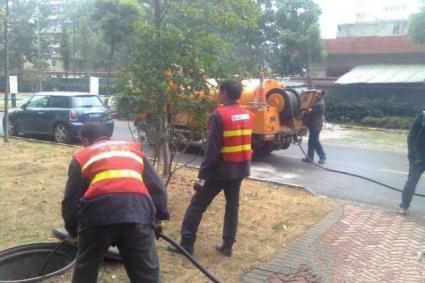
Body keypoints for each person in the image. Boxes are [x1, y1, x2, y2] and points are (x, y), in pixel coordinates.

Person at [62, 123, 169, 283]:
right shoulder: (132, 150)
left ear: (85, 140)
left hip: (96, 219)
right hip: (137, 215)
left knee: (86, 268)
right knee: (147, 274)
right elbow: (158, 187)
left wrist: (73, 231)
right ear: (108, 136)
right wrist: (158, 219)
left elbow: (70, 201)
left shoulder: (82, 156)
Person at [167, 79, 253, 257]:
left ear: (225, 93)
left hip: (220, 171)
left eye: (219, 91)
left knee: (197, 205)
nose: (218, 94)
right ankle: (228, 245)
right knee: (232, 207)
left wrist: (201, 178)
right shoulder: (246, 114)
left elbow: (211, 151)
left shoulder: (218, 115)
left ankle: (186, 244)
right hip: (239, 170)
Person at [399, 111, 425, 215]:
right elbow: (411, 137)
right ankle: (404, 206)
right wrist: (414, 155)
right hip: (418, 157)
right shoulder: (421, 118)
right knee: (411, 182)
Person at [302, 89, 326, 164]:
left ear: (322, 95)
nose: (316, 95)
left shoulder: (319, 104)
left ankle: (322, 157)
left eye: (318, 94)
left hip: (316, 126)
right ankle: (310, 157)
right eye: (316, 94)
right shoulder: (317, 102)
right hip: (313, 125)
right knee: (311, 142)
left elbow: (310, 113)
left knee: (315, 141)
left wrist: (303, 113)